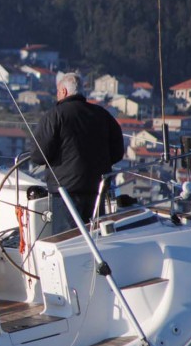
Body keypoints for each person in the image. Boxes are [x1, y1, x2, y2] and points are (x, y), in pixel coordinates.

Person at [30, 72, 124, 234]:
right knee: (95, 236)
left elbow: (39, 155)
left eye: (58, 91)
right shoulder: (102, 115)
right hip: (97, 188)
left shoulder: (54, 116)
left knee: (68, 240)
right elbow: (117, 153)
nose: (57, 95)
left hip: (65, 192)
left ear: (64, 92)